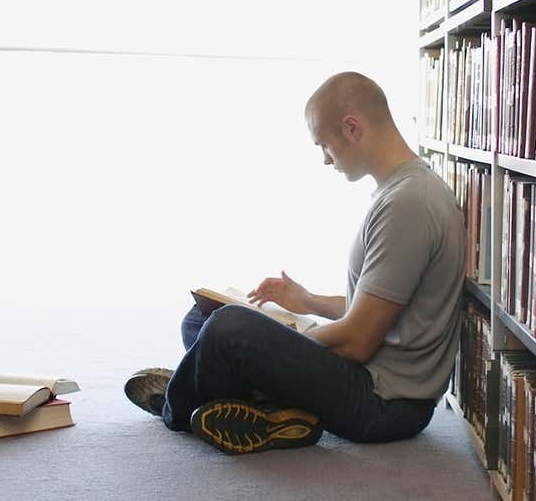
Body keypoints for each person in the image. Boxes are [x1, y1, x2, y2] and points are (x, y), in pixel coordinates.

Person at [123, 72, 468, 455]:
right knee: (200, 319)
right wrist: (306, 302)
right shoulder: (401, 191)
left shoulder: (409, 204)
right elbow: (381, 304)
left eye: (324, 145)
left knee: (226, 328)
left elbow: (357, 339)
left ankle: (179, 404)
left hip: (383, 404)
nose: (324, 159)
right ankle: (272, 414)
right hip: (368, 378)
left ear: (352, 128)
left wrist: (291, 340)